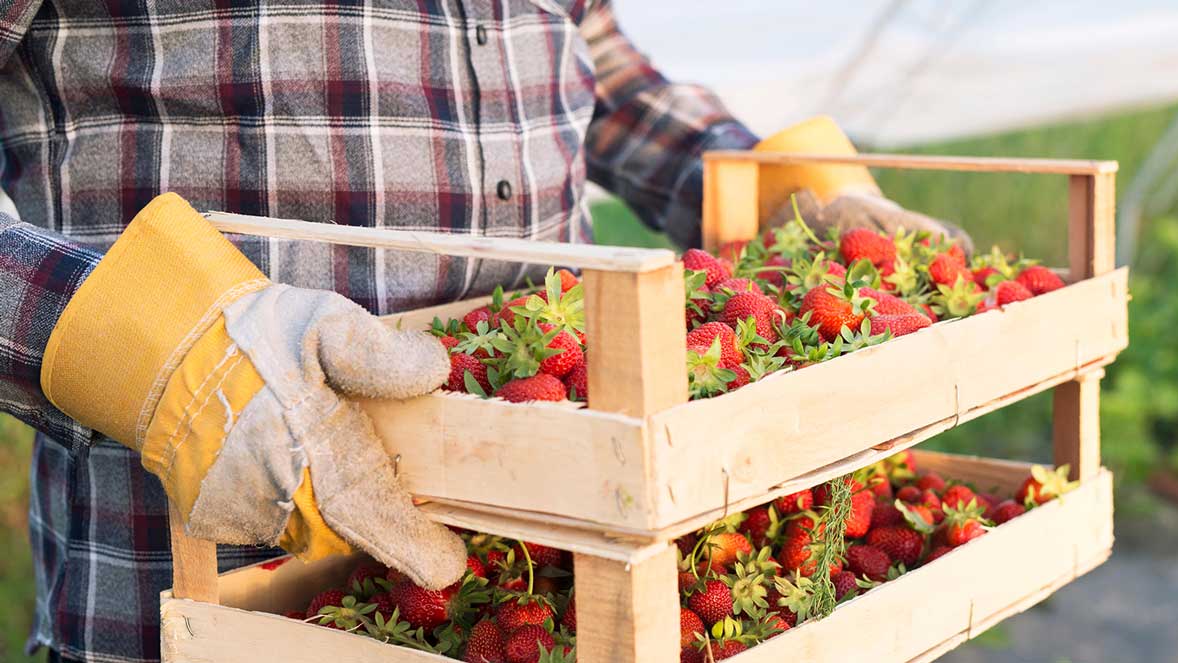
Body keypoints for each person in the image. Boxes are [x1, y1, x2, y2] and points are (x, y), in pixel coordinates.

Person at [0, 2, 964, 661]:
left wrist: (761, 180)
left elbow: (590, 52)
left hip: (558, 577)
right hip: (216, 601)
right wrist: (165, 356)